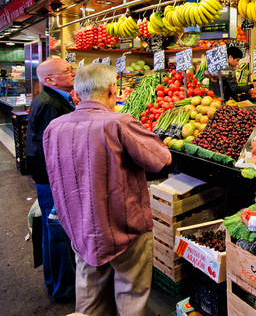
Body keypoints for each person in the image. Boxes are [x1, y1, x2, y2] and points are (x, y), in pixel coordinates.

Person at [43, 63, 171, 316]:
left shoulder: (54, 128)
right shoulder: (119, 122)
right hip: (124, 228)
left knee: (89, 298)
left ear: (77, 94)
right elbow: (161, 160)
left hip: (80, 229)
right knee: (131, 294)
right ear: (113, 89)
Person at [25, 58, 77, 303]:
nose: (73, 73)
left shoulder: (54, 99)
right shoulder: (48, 103)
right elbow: (53, 147)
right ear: (49, 80)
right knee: (57, 233)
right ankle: (62, 289)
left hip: (49, 178)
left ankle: (55, 283)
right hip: (53, 180)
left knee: (52, 231)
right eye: (67, 71)